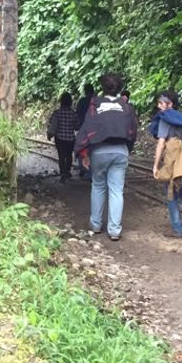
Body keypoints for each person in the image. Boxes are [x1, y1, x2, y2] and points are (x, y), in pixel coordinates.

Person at [73, 73, 138, 241]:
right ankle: (114, 230)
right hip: (120, 151)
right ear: (119, 89)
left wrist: (84, 154)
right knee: (117, 190)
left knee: (98, 186)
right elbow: (132, 131)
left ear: (102, 88)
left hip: (99, 151)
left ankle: (95, 225)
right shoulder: (125, 107)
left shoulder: (95, 105)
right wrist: (127, 150)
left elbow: (87, 128)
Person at [149, 90, 182, 241]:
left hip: (172, 162)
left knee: (171, 195)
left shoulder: (165, 119)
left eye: (161, 103)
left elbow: (160, 144)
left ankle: (178, 229)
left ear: (169, 104)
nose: (159, 106)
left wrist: (156, 165)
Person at [45, 92, 79, 180]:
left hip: (60, 139)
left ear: (61, 102)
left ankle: (62, 172)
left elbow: (52, 125)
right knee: (69, 156)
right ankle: (67, 171)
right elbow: (77, 127)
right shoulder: (73, 114)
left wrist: (50, 135)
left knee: (61, 156)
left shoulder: (57, 113)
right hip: (70, 139)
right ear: (70, 102)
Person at [74, 82, 95, 178]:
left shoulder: (82, 101)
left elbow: (77, 114)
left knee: (82, 148)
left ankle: (83, 168)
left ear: (85, 91)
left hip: (83, 129)